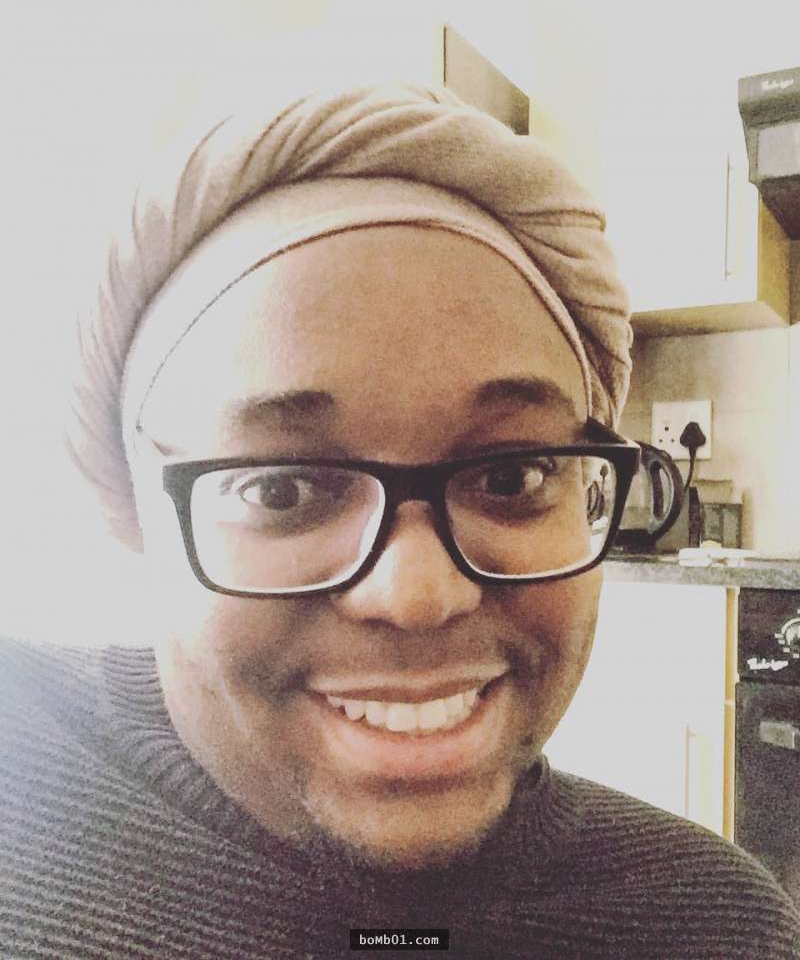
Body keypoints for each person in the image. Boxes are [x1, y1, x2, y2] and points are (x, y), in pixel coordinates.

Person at [1, 82, 798, 960]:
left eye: (511, 474)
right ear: (136, 510)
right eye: (283, 490)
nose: (418, 594)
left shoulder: (718, 928)